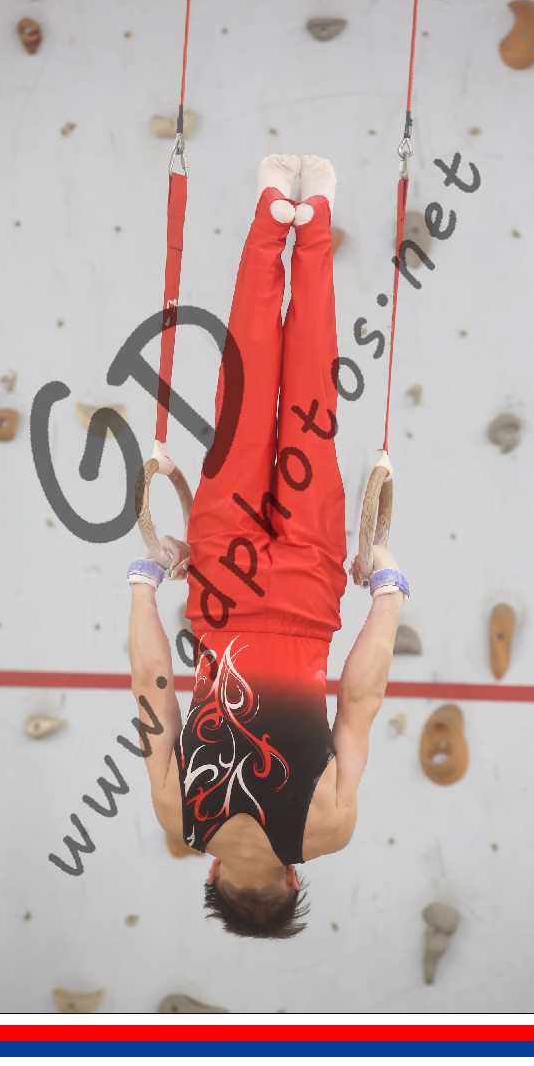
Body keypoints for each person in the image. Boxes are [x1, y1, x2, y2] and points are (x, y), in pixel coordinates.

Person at [128, 156, 409, 938]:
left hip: (310, 590)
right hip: (220, 582)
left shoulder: (326, 829)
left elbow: (360, 701)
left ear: (292, 879)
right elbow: (152, 687)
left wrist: (388, 594)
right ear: (213, 877)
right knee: (244, 396)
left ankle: (313, 219)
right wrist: (144, 582)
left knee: (312, 394)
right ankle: (269, 212)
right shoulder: (180, 820)